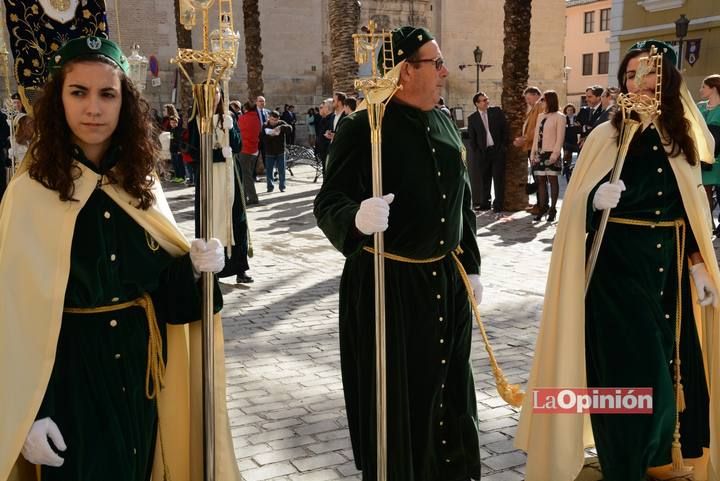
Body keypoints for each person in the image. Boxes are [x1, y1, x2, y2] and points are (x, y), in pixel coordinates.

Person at [0, 37, 242, 481]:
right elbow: (12, 318)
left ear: (124, 102)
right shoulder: (30, 193)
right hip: (72, 378)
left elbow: (162, 288)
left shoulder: (138, 182)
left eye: (107, 94)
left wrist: (193, 267)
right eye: (79, 92)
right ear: (58, 100)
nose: (93, 107)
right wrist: (31, 413)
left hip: (145, 372)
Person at [516, 40, 719, 481]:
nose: (638, 83)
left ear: (666, 80)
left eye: (648, 73)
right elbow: (574, 211)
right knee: (635, 378)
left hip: (668, 277)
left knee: (670, 369)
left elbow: (691, 210)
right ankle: (626, 462)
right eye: (630, 75)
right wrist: (592, 199)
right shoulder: (605, 137)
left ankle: (658, 458)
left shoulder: (679, 135)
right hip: (616, 274)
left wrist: (700, 262)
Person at [314, 26, 483, 481]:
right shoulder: (362, 126)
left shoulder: (445, 121)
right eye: (436, 63)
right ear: (406, 70)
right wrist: (356, 218)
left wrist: (471, 265)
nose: (445, 72)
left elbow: (461, 202)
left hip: (445, 281)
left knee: (451, 390)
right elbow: (328, 201)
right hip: (388, 287)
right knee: (401, 399)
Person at [467, 91, 507, 212]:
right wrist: (477, 152)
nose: (487, 102)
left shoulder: (496, 112)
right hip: (483, 153)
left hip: (497, 151)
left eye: (487, 99)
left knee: (498, 178)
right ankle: (485, 203)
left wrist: (503, 147)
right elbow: (472, 138)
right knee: (485, 179)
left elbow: (504, 129)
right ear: (477, 104)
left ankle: (498, 204)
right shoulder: (472, 118)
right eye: (484, 100)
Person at [529, 90, 565, 222]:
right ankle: (543, 208)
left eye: (543, 99)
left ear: (550, 100)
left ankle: (553, 209)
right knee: (541, 182)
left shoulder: (560, 117)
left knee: (553, 181)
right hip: (539, 153)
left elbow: (560, 138)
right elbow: (535, 138)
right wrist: (533, 154)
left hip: (552, 153)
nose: (541, 102)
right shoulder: (540, 116)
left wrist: (555, 155)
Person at [698, 74, 720, 232]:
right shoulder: (699, 107)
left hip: (718, 158)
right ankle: (707, 225)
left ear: (713, 89)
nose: (700, 90)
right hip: (702, 156)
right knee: (704, 191)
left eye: (703, 87)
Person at [261, 110, 292, 193]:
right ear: (269, 118)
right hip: (269, 151)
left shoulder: (281, 123)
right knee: (269, 171)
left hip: (280, 151)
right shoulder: (265, 125)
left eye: (275, 120)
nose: (273, 122)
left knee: (282, 170)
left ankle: (282, 186)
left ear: (278, 119)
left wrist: (280, 127)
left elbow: (290, 129)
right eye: (271, 119)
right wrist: (271, 135)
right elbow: (263, 139)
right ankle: (270, 187)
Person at [561, 103, 581, 181]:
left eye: (571, 110)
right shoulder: (563, 119)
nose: (570, 111)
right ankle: (566, 169)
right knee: (566, 156)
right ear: (566, 111)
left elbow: (579, 128)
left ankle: (577, 169)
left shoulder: (576, 118)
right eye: (568, 110)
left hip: (575, 141)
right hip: (566, 141)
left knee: (580, 154)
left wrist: (577, 126)